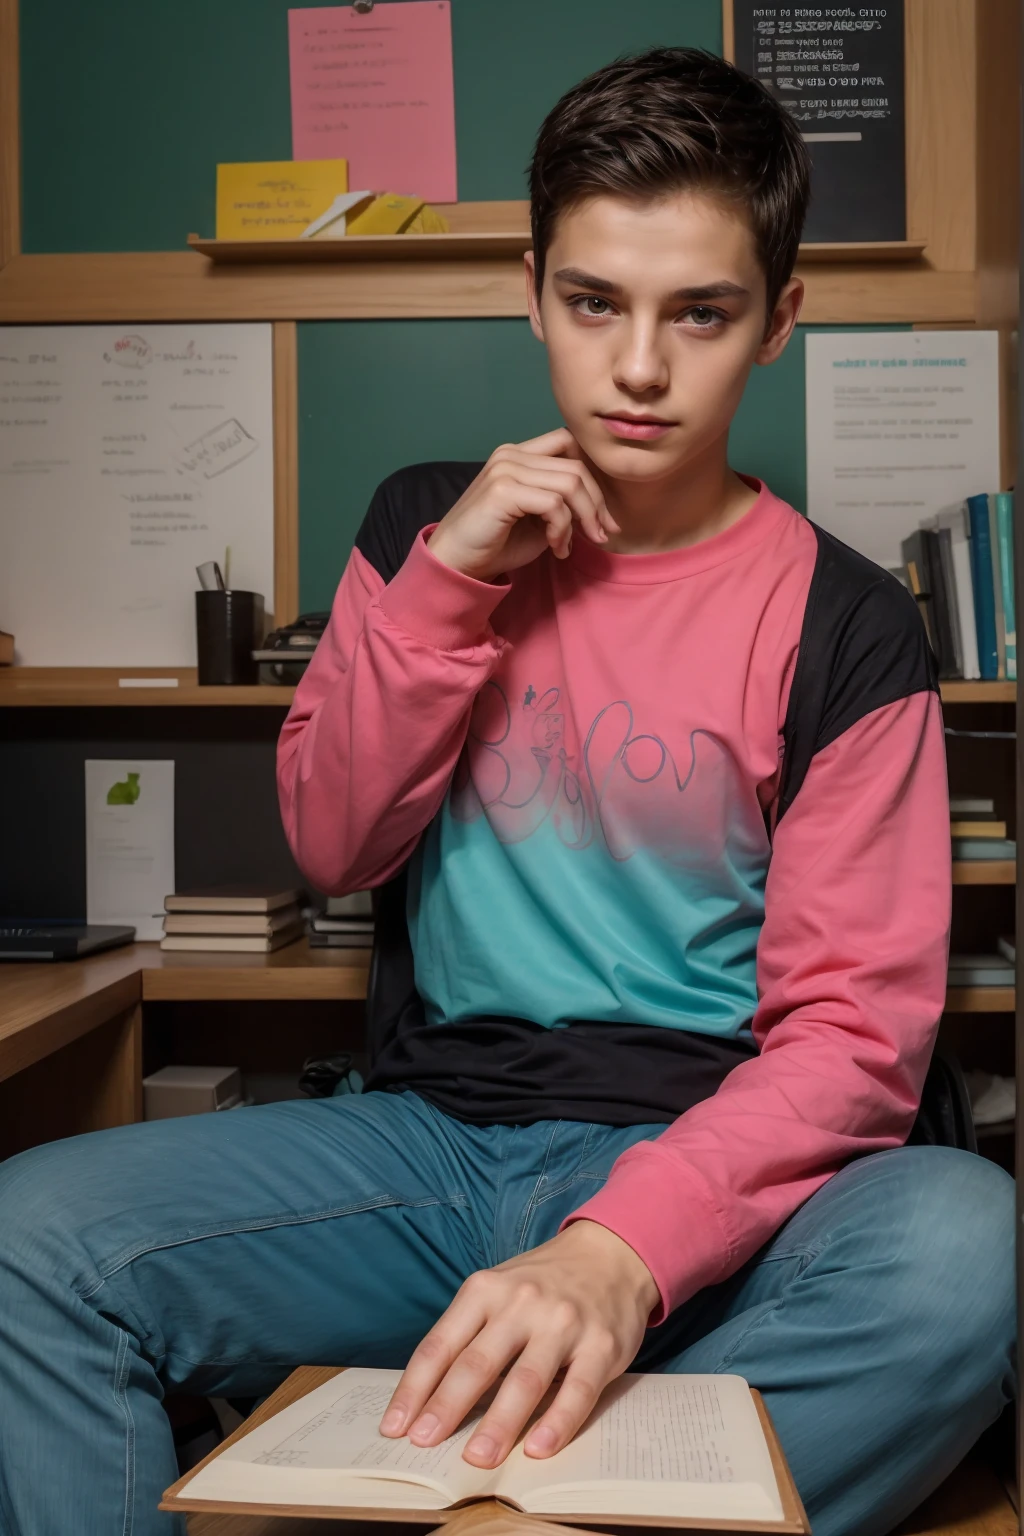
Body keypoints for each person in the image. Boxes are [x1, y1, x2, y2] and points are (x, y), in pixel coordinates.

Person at [0, 47, 1013, 1536]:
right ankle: (593, 1448)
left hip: (719, 1166)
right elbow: (334, 837)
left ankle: (529, 1471)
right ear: (533, 288)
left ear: (778, 321)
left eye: (703, 313)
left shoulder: (854, 627)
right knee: (26, 1238)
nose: (642, 367)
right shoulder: (422, 523)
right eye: (597, 302)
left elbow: (856, 1043)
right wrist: (450, 583)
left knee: (972, 1247)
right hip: (427, 1146)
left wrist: (621, 1249)